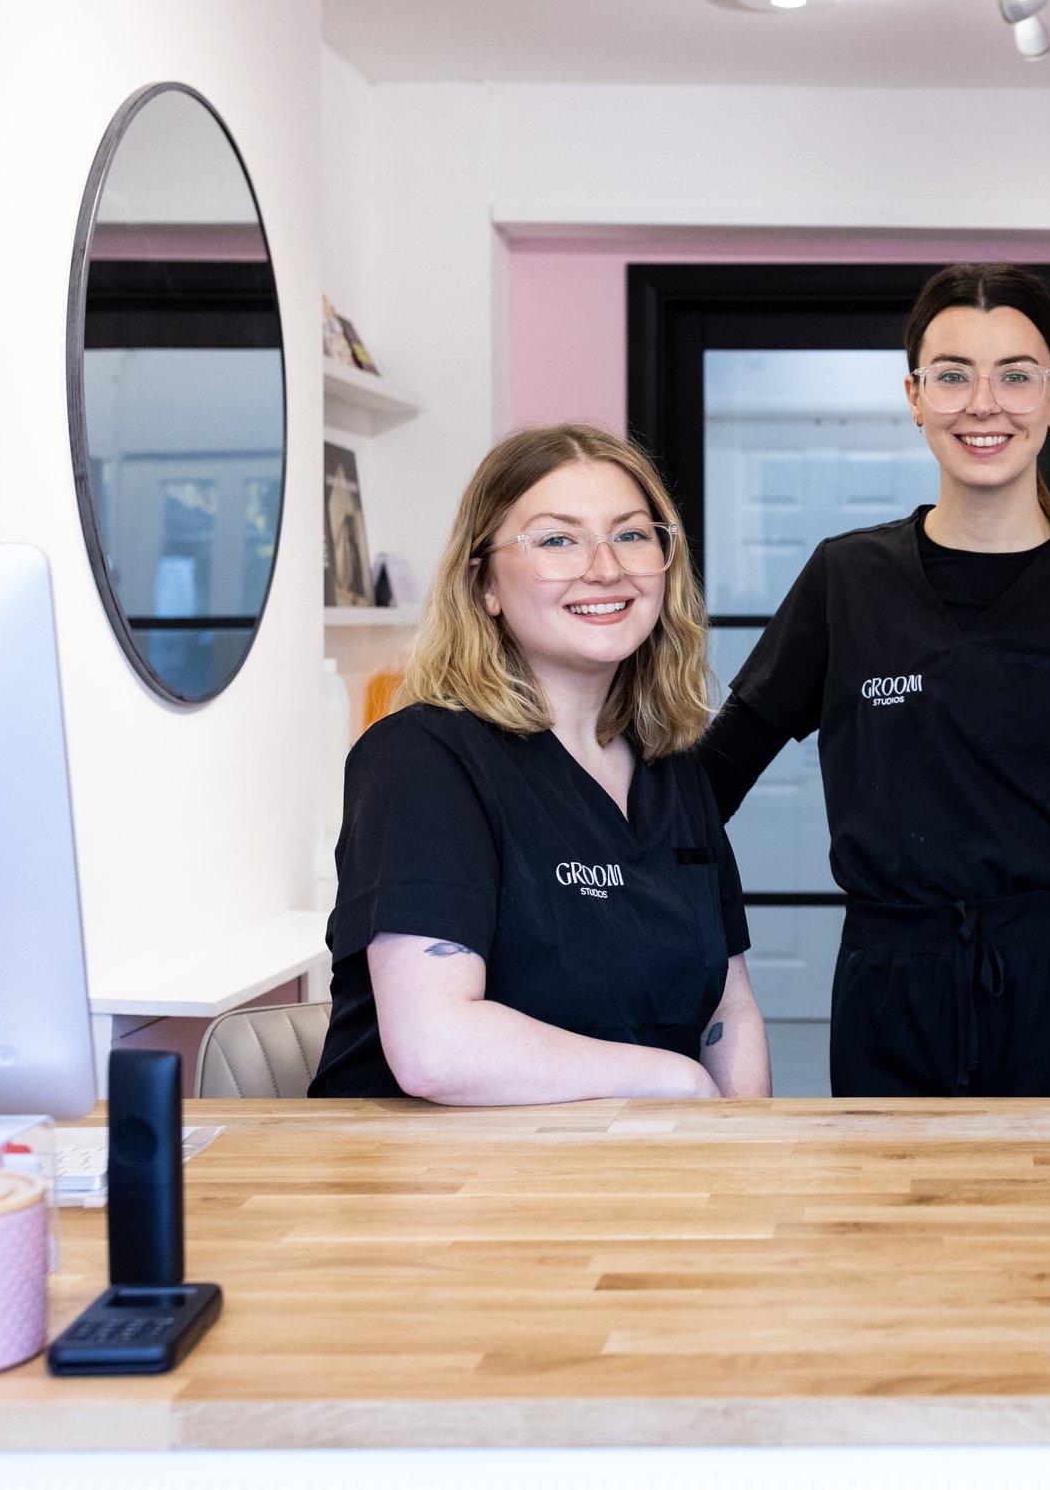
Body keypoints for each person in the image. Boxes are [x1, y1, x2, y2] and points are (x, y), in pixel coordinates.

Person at [697, 263, 1050, 1098]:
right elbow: (708, 781)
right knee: (892, 1229)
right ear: (914, 394)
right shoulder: (846, 581)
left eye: (1016, 375)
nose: (984, 403)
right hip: (892, 989)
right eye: (952, 375)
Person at [309, 423, 771, 1102]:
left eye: (632, 533)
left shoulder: (673, 769)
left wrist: (744, 1158)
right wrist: (674, 1081)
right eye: (558, 539)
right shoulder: (423, 760)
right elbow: (434, 1047)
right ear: (484, 584)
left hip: (636, 1172)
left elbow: (727, 1014)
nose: (605, 567)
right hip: (443, 1189)